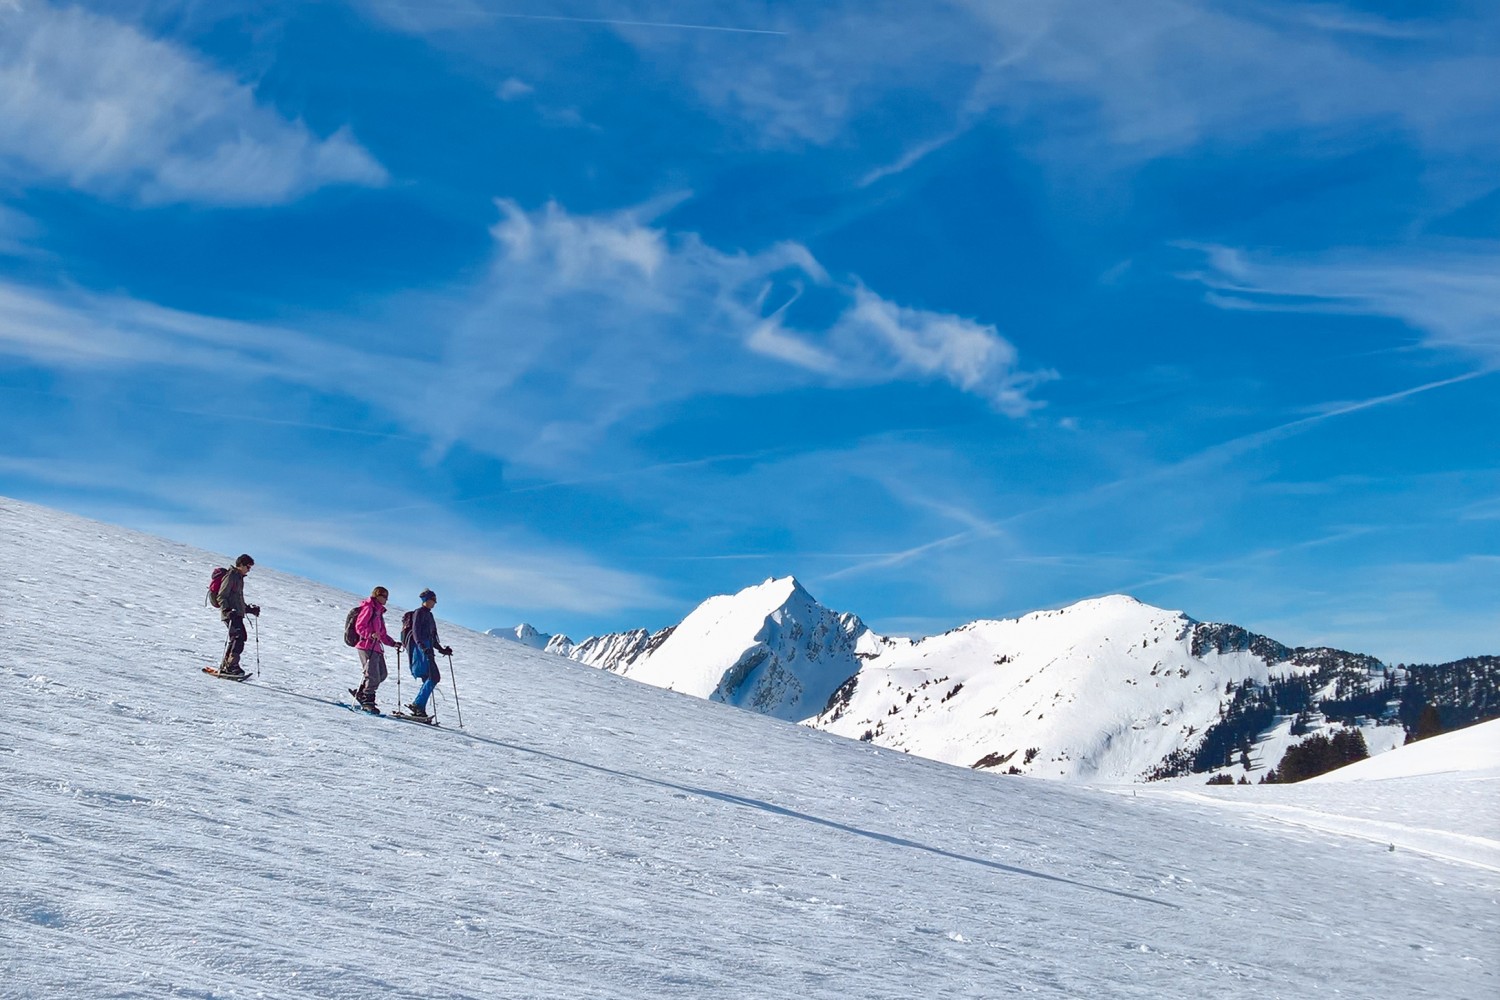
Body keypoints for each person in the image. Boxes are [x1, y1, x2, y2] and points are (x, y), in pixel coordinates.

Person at [405, 589, 453, 719]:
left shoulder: (429, 615)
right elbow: (416, 633)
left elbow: (433, 636)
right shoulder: (419, 613)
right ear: (426, 600)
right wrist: (422, 647)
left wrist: (442, 649)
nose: (435, 603)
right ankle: (418, 705)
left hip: (427, 649)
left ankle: (419, 706)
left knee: (430, 678)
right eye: (433, 600)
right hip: (422, 650)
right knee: (433, 677)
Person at [351, 585, 400, 713]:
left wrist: (393, 643)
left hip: (376, 647)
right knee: (372, 675)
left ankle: (362, 692)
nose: (386, 600)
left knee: (382, 674)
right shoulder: (369, 608)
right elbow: (360, 626)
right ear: (377, 595)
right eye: (384, 596)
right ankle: (368, 700)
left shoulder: (378, 612)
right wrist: (370, 635)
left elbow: (382, 634)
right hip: (366, 645)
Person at [217, 554, 260, 677]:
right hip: (230, 614)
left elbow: (237, 599)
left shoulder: (239, 578)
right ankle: (231, 666)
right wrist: (227, 609)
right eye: (248, 566)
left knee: (237, 638)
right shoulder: (231, 576)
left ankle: (227, 665)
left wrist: (249, 610)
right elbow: (221, 595)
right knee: (238, 637)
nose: (249, 569)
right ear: (241, 564)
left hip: (236, 613)